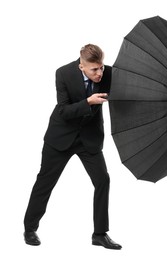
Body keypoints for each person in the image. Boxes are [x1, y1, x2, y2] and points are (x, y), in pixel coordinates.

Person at [23, 44, 122, 250]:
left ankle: (100, 234)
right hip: (61, 136)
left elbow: (129, 88)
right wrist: (88, 102)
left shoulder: (110, 74)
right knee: (45, 182)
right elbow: (64, 111)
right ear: (81, 67)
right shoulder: (63, 73)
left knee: (103, 180)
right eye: (94, 69)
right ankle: (30, 228)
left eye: (101, 67)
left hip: (89, 138)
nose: (99, 73)